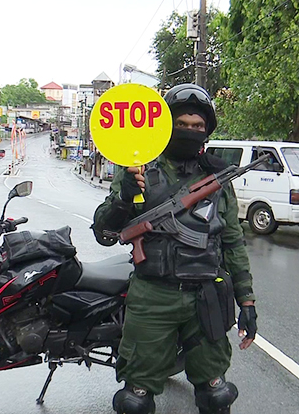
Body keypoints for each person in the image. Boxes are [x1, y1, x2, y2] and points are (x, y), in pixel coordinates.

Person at [92, 83, 256, 414]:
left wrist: (247, 301)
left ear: (207, 130)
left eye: (197, 127)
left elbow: (233, 241)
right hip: (153, 297)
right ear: (167, 126)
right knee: (134, 400)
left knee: (217, 395)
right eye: (182, 125)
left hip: (206, 297)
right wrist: (124, 198)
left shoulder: (218, 177)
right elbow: (105, 233)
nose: (190, 132)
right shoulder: (139, 171)